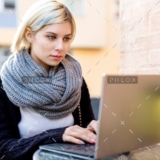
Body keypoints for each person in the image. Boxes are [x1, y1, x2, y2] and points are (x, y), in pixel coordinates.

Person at [0, 0, 98, 159]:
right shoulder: (5, 84)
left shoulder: (75, 79)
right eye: (51, 37)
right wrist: (56, 135)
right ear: (29, 35)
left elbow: (85, 127)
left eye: (67, 38)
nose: (61, 47)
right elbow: (4, 149)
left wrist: (93, 130)